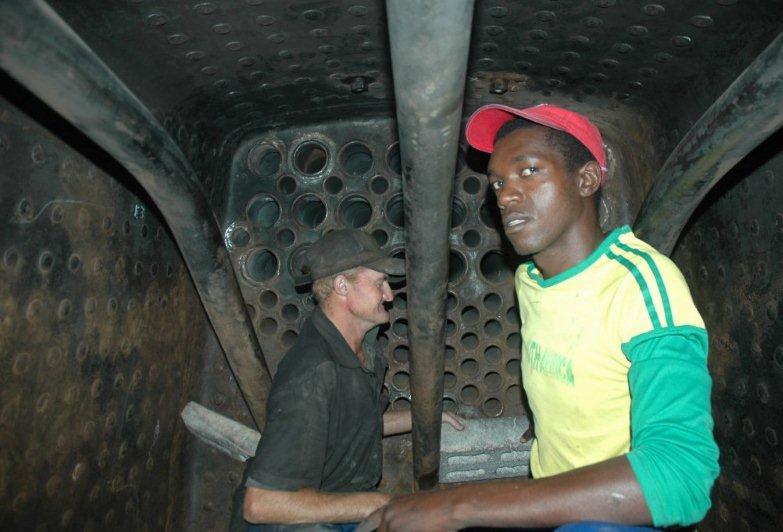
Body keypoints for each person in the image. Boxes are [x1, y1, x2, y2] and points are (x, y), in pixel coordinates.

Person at [361, 104, 719, 531]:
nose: (507, 194)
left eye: (529, 171)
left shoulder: (641, 286)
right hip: (558, 495)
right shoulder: (531, 279)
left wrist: (459, 505)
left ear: (585, 180)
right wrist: (552, 427)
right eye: (498, 182)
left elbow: (681, 477)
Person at [230, 229, 463, 532]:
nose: (390, 295)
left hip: (334, 505)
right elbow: (260, 504)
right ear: (341, 286)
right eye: (380, 283)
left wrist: (427, 417)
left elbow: (354, 425)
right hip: (293, 520)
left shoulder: (362, 347)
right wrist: (375, 504)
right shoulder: (313, 373)